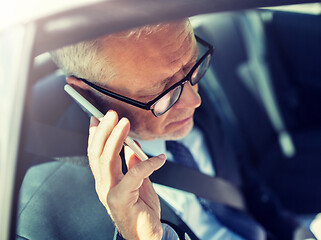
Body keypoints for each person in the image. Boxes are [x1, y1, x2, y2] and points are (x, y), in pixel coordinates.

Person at [16, 18, 313, 240]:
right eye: (161, 91)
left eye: (191, 65)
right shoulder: (45, 215)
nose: (194, 100)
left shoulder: (184, 86)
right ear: (88, 94)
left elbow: (247, 189)